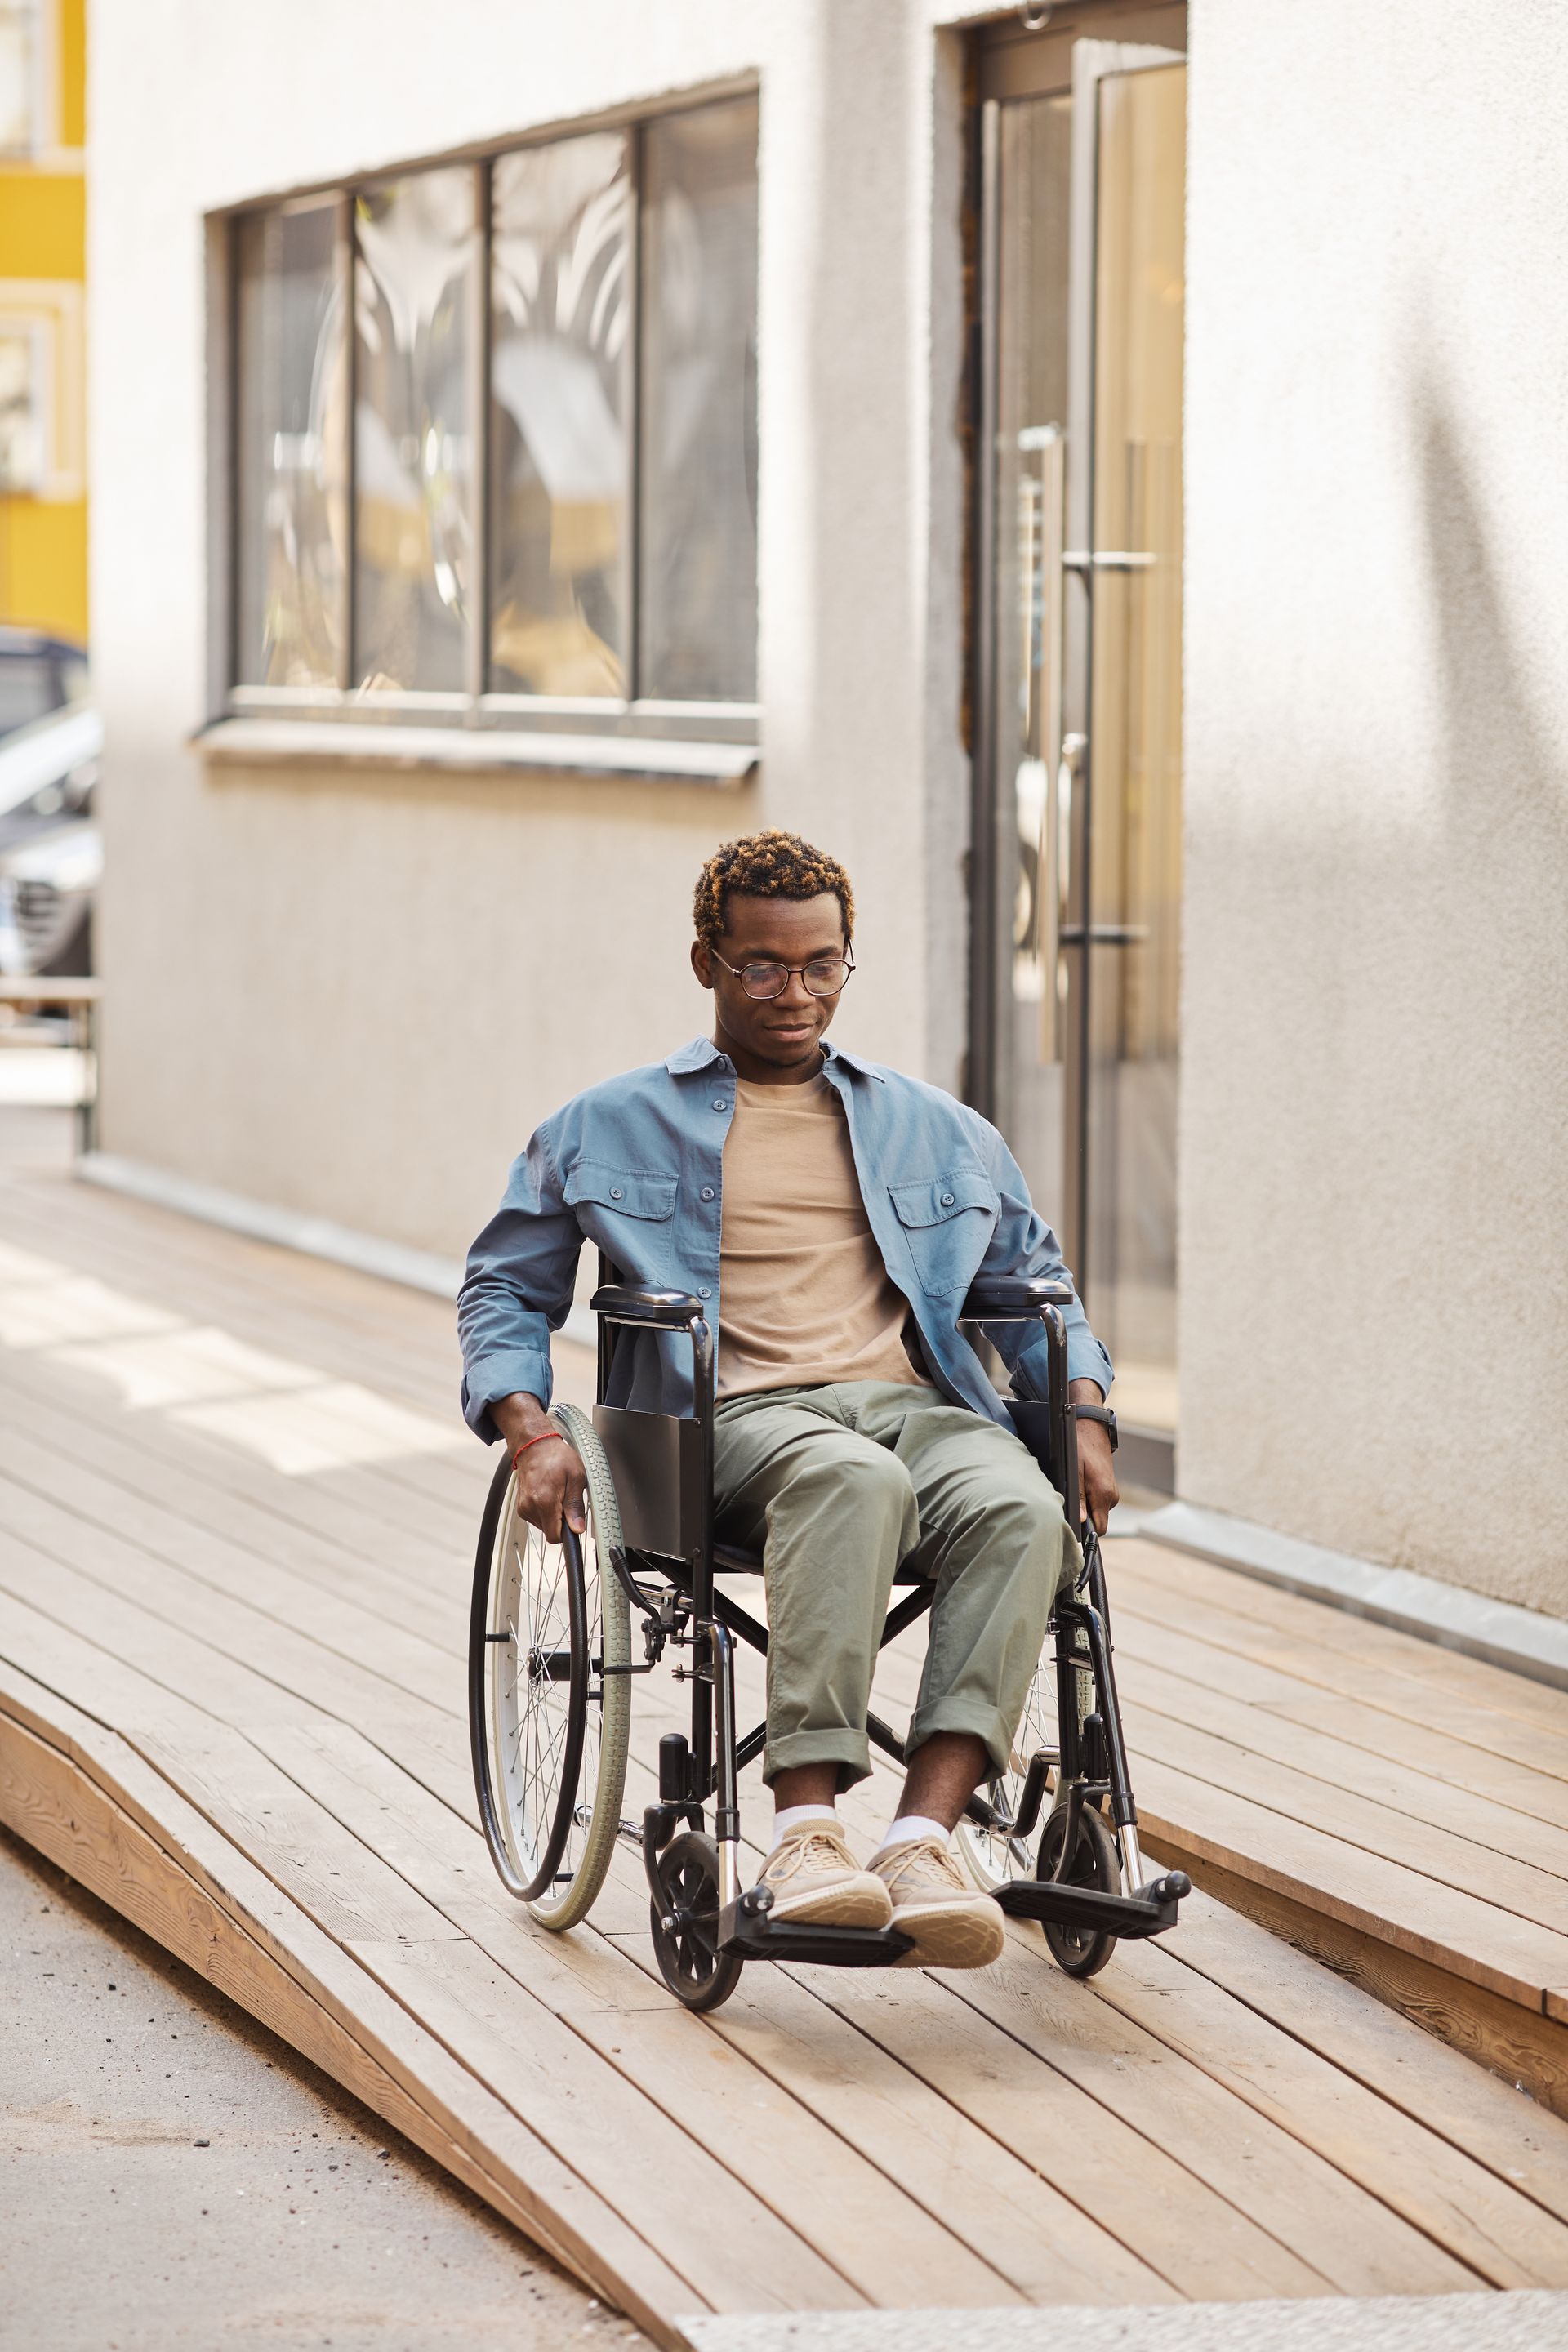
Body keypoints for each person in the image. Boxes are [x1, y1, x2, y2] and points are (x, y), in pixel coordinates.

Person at [458, 828, 1117, 1969]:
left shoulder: (938, 1128)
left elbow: (1032, 1290)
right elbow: (506, 1286)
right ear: (708, 961)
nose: (796, 994)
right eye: (764, 966)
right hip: (728, 1422)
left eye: (822, 966)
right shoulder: (606, 1123)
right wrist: (527, 1431)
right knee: (847, 1478)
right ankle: (806, 1833)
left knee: (1022, 1508)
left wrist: (1089, 1414)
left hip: (914, 1406)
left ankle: (922, 1837)